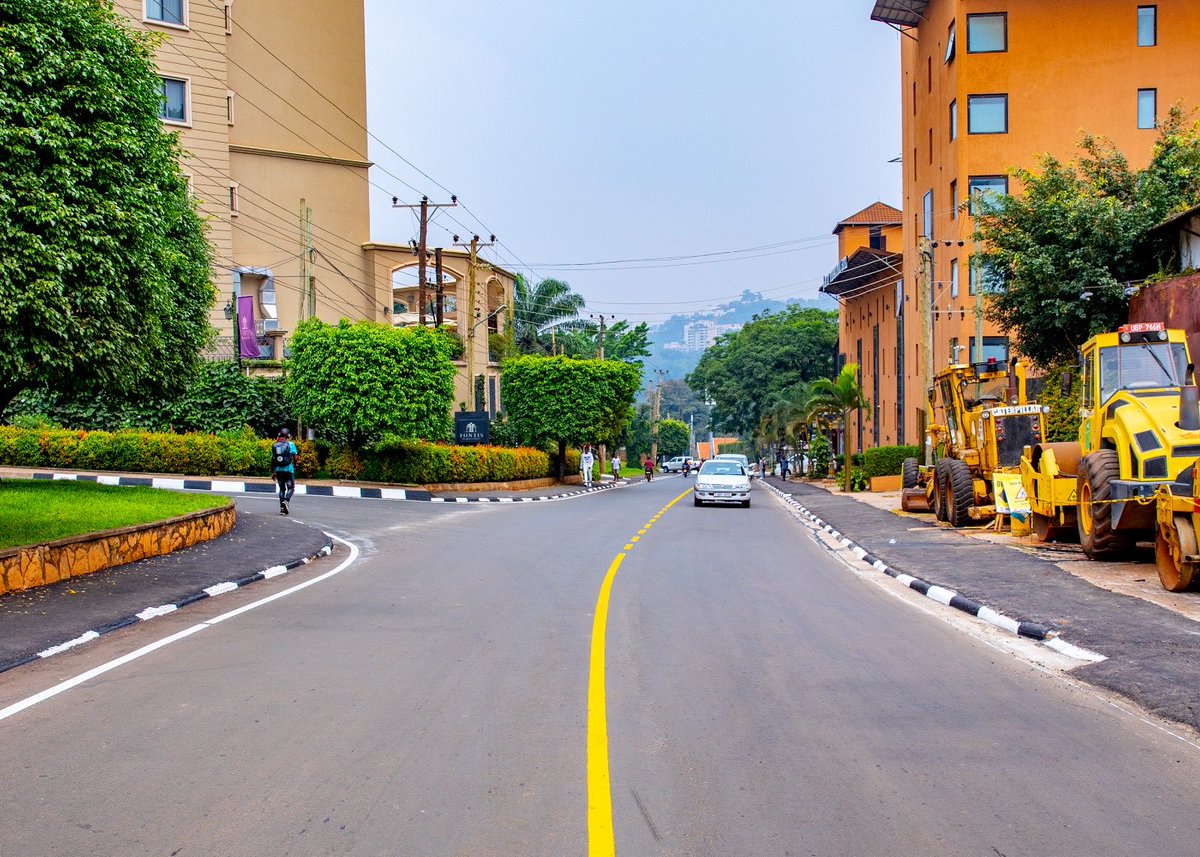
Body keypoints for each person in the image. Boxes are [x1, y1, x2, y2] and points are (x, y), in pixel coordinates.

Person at [272, 428, 298, 515]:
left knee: (282, 489)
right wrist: (295, 465)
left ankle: (282, 509)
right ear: (288, 436)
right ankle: (286, 502)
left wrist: (273, 472)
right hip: (288, 470)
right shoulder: (290, 444)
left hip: (278, 470)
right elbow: (295, 457)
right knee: (291, 488)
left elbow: (273, 460)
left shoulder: (275, 445)